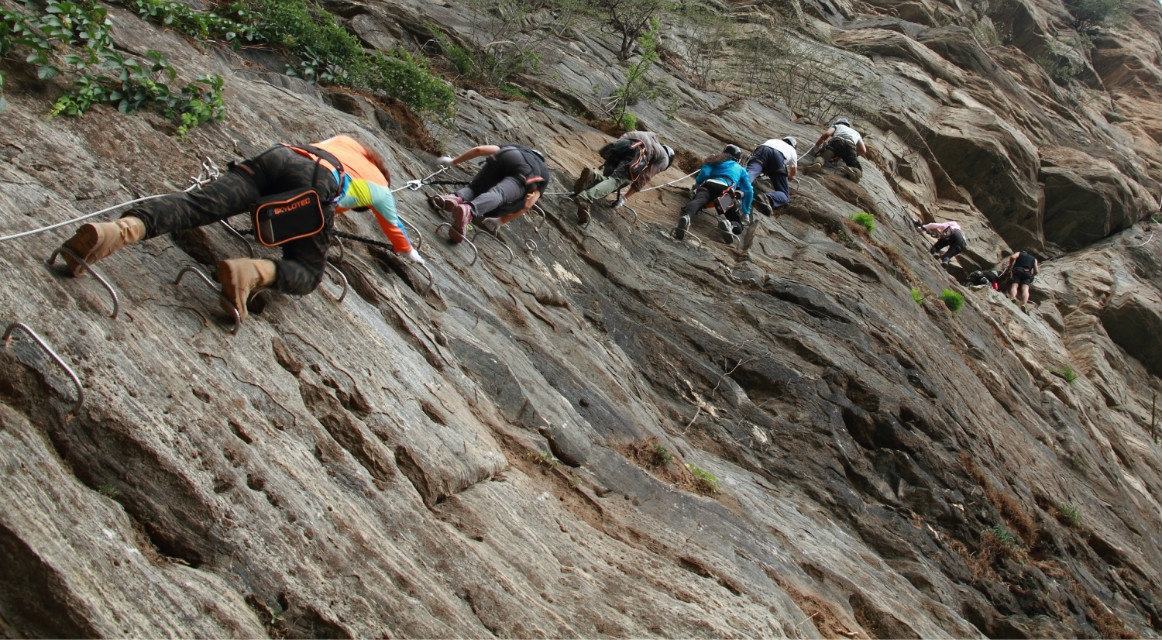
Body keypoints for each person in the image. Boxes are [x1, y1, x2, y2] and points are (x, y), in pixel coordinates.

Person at [58, 135, 421, 319]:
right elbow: (389, 218)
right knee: (307, 271)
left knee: (196, 206)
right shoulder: (378, 187)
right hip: (314, 182)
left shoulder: (346, 142)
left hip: (277, 156)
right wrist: (407, 250)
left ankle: (113, 232)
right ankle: (246, 273)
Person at [435, 144, 551, 243]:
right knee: (499, 193)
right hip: (526, 173)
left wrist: (453, 161)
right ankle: (469, 210)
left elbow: (479, 150)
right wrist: (501, 221)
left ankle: (455, 198)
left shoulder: (518, 147)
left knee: (475, 188)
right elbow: (528, 204)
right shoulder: (544, 172)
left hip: (507, 154)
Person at [572, 132, 674, 224]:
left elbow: (627, 135)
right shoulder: (665, 160)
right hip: (636, 151)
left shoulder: (650, 136)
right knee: (620, 180)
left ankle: (593, 176)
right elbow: (645, 176)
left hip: (621, 143)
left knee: (609, 177)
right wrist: (624, 199)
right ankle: (586, 197)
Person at [674, 144, 754, 244]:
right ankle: (730, 225)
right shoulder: (740, 169)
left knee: (698, 201)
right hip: (726, 191)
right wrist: (746, 211)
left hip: (709, 185)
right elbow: (749, 190)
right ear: (737, 159)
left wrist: (697, 186)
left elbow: (704, 174)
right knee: (734, 217)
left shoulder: (714, 160)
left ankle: (687, 217)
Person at [802, 117, 867, 182]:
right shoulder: (856, 133)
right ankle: (853, 170)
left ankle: (818, 164)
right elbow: (863, 150)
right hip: (850, 145)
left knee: (823, 157)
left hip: (837, 142)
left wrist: (816, 146)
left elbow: (827, 134)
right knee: (857, 168)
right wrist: (853, 155)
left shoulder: (837, 126)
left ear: (838, 122)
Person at [746, 136, 798, 215]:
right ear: (793, 145)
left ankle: (737, 187)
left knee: (751, 173)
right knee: (784, 195)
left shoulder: (773, 140)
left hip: (762, 150)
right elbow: (793, 167)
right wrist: (791, 176)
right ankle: (766, 197)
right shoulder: (792, 149)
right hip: (777, 158)